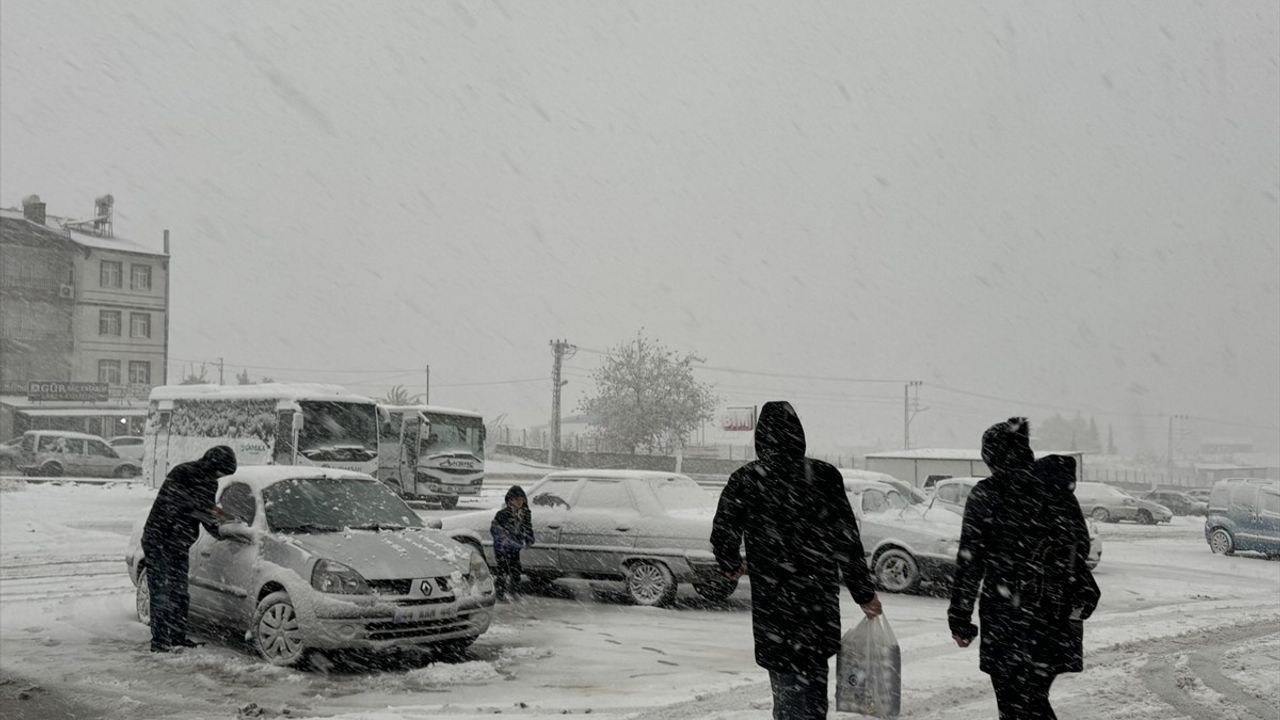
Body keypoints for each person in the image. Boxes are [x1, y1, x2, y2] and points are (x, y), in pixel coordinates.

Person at [711, 401, 883, 720]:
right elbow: (847, 542)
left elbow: (723, 532)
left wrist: (731, 565)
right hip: (816, 605)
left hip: (773, 605)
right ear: (798, 434)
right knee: (815, 694)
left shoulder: (746, 479)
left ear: (761, 438)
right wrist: (865, 594)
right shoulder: (824, 476)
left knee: (786, 693)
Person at [948, 418, 1101, 720]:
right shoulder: (1056, 490)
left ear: (991, 457)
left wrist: (959, 618)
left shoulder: (987, 495)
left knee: (1017, 706)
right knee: (1032, 700)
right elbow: (1080, 546)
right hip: (1055, 617)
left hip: (1008, 619)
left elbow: (970, 561)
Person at [141, 445, 237, 652]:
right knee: (162, 591)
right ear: (211, 464)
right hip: (159, 538)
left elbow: (206, 509)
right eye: (220, 471)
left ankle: (177, 636)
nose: (220, 476)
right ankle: (159, 642)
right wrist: (206, 515)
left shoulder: (210, 483)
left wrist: (224, 526)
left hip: (179, 542)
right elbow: (179, 505)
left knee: (180, 592)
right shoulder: (182, 472)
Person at [490, 485, 534, 601]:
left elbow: (528, 527)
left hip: (515, 546)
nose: (519, 502)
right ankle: (500, 594)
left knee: (516, 569)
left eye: (521, 499)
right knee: (502, 570)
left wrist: (529, 539)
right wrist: (502, 538)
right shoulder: (502, 514)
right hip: (502, 547)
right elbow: (495, 528)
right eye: (516, 499)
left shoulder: (525, 513)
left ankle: (514, 591)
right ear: (509, 501)